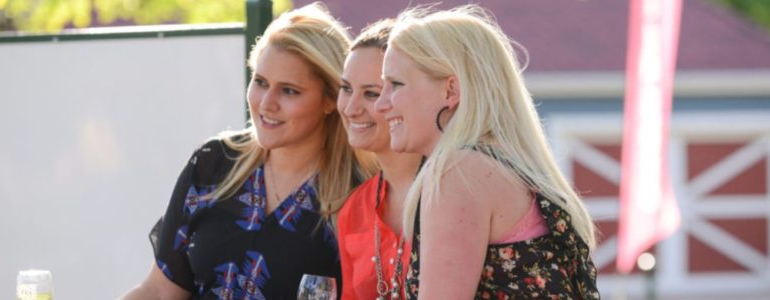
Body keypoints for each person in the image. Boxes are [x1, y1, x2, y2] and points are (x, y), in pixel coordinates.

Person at [120, 3, 376, 299]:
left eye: (289, 90)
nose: (266, 103)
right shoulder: (213, 163)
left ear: (331, 99)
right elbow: (159, 290)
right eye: (261, 82)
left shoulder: (360, 195)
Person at [375, 5, 600, 299]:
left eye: (396, 84)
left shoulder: (458, 171)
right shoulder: (506, 164)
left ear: (450, 91)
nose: (381, 104)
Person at [335, 19, 422, 300]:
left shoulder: (453, 191)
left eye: (371, 93)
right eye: (346, 88)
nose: (350, 108)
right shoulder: (355, 208)